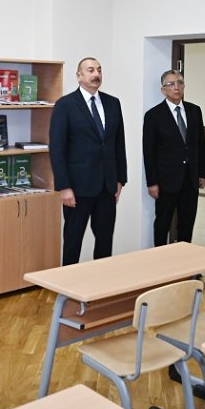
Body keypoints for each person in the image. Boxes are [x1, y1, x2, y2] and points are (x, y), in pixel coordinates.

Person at [49, 57, 127, 265]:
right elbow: (57, 148)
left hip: (107, 187)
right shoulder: (65, 105)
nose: (96, 74)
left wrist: (120, 179)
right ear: (79, 75)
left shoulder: (113, 103)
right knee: (73, 242)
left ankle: (101, 283)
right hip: (77, 188)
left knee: (105, 242)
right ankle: (67, 283)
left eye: (99, 70)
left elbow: (118, 143)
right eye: (91, 70)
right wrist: (64, 186)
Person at [143, 70, 205, 246]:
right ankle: (159, 259)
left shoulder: (195, 111)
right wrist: (152, 182)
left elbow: (200, 144)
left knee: (187, 223)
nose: (176, 87)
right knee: (162, 223)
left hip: (190, 179)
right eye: (171, 84)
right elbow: (148, 152)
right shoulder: (153, 116)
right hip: (166, 181)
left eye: (180, 83)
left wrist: (202, 173)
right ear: (163, 89)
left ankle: (185, 259)